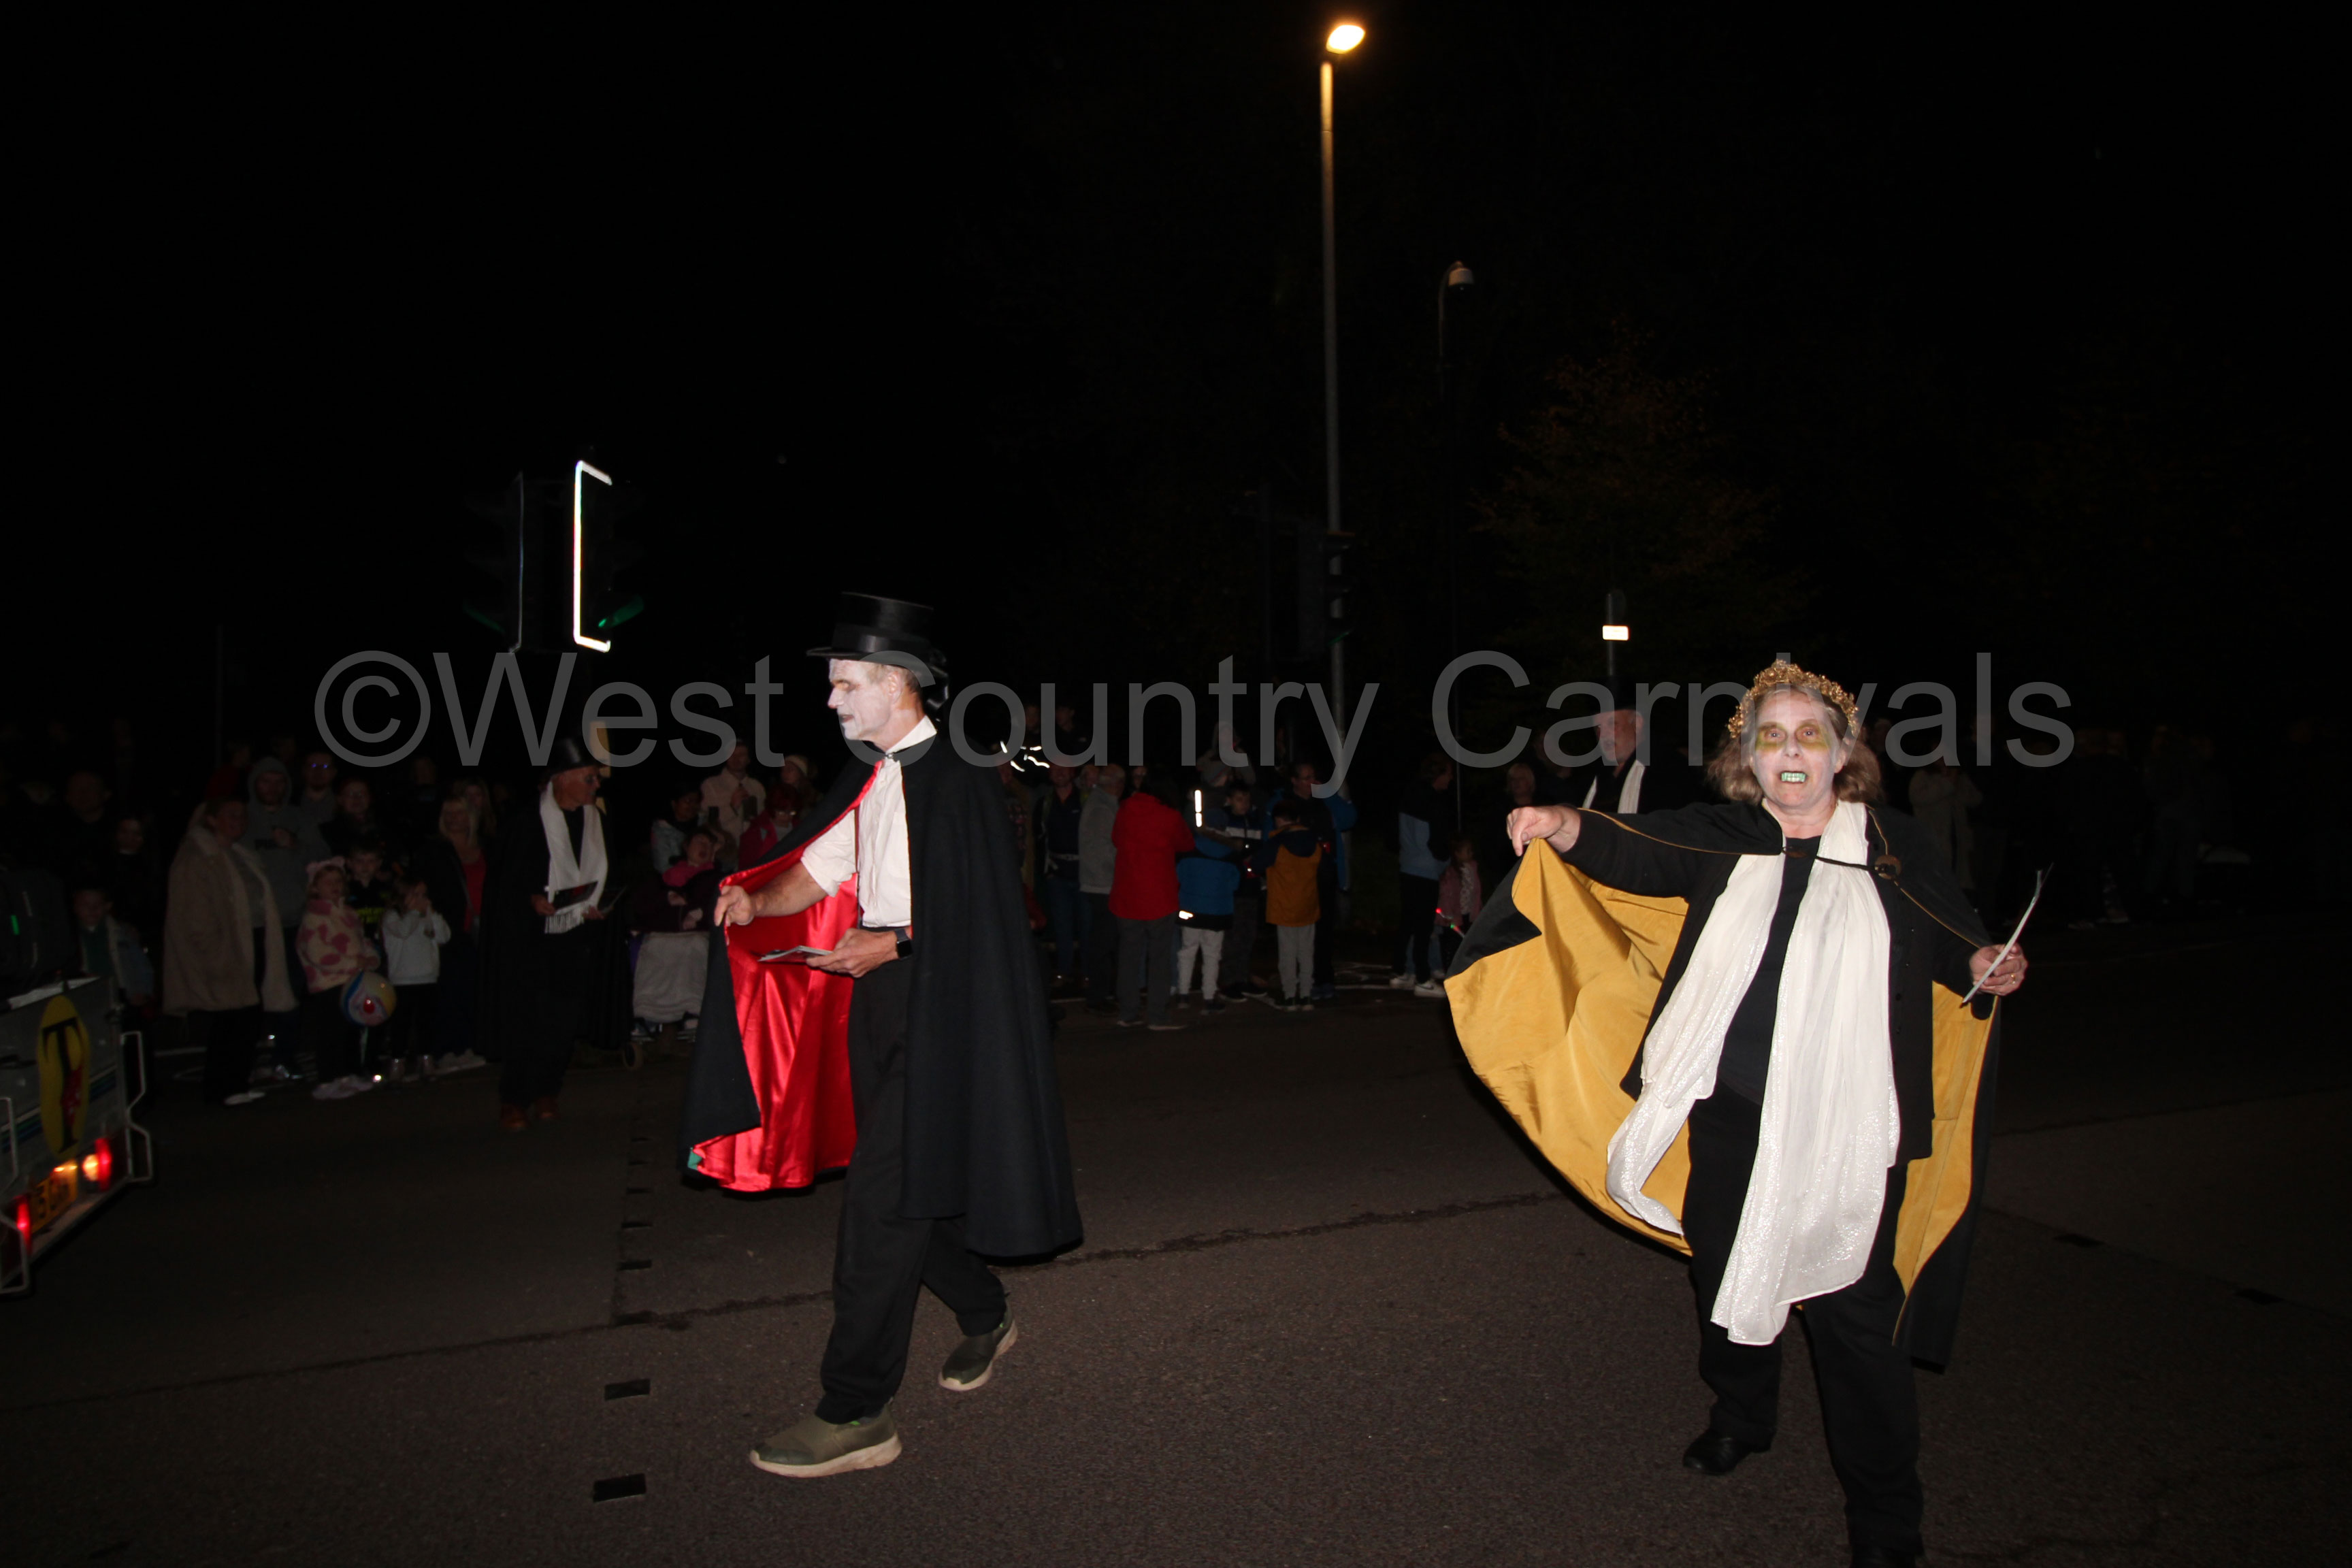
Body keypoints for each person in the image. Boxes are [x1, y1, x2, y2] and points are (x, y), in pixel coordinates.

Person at [1454, 662, 2025, 1568]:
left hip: (1851, 1125)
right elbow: (1637, 846)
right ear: (1748, 759)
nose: (1790, 752)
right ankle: (1743, 1415)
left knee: (1854, 1323)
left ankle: (1887, 1525)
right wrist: (1563, 823)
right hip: (1732, 1111)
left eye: (1809, 735)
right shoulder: (1728, 836)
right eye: (1771, 737)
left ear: (1843, 752)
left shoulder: (1894, 845)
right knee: (1724, 1281)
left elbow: (1952, 936)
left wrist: (1985, 962)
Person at [687, 592, 1080, 1478]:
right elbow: (818, 871)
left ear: (899, 684)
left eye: (846, 683)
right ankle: (985, 1312)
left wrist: (897, 940)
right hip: (881, 1004)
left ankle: (856, 1407)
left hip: (943, 999)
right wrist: (758, 900)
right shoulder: (870, 776)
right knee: (910, 1182)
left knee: (881, 1200)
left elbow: (984, 911)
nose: (832, 699)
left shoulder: (962, 772)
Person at [478, 738, 621, 1129]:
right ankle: (514, 1098)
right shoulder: (525, 822)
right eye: (589, 778)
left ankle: (547, 1091)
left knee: (562, 1021)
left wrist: (601, 906)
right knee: (525, 1020)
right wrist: (531, 899)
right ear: (562, 778)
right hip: (529, 942)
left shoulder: (597, 822)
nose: (596, 785)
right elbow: (503, 884)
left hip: (575, 938)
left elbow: (609, 874)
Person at [162, 798, 297, 1106]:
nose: (239, 821)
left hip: (252, 941)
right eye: (231, 815)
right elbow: (194, 915)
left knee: (247, 1017)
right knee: (230, 1019)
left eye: (242, 815)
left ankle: (237, 1082)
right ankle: (221, 1088)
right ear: (211, 819)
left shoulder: (238, 854)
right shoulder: (197, 857)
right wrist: (214, 953)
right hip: (226, 947)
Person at [246, 755, 326, 1081]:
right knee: (250, 994)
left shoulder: (299, 818)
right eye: (265, 781)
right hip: (253, 923)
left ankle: (284, 1058)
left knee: (291, 990)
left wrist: (295, 845)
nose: (272, 787)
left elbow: (324, 857)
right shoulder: (242, 819)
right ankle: (250, 1061)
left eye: (279, 781)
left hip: (294, 920)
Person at [1110, 772, 1194, 1030]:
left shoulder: (1125, 811)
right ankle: (1157, 1015)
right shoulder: (1169, 816)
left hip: (1127, 896)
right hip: (1159, 897)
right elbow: (1186, 843)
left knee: (1129, 957)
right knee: (1159, 958)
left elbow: (1116, 840)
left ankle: (1128, 1012)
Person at [413, 795, 490, 1074]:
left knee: (472, 990)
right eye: (448, 813)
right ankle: (446, 1050)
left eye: (459, 813)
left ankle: (469, 1045)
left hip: (481, 928)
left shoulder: (484, 848)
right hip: (449, 930)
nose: (453, 818)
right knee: (449, 990)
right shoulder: (435, 850)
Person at [629, 823, 721, 1046]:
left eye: (709, 845)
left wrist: (699, 912)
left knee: (693, 948)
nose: (704, 847)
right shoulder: (665, 878)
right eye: (699, 842)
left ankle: (692, 1012)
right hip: (664, 932)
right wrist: (667, 899)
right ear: (686, 847)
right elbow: (641, 904)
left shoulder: (716, 878)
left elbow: (716, 903)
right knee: (652, 947)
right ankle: (647, 1015)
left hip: (697, 934)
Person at [296, 858, 376, 1100]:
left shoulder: (349, 913)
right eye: (328, 882)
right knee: (331, 1032)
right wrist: (352, 963)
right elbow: (318, 953)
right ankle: (328, 1079)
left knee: (351, 1029)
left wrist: (371, 958)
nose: (335, 887)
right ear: (315, 887)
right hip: (328, 984)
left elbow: (362, 940)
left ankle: (349, 1073)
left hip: (352, 981)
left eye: (338, 882)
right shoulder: (314, 917)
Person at [1286, 761, 1355, 1001]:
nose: (1311, 782)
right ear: (1294, 781)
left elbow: (1349, 818)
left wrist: (1328, 795)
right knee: (1303, 932)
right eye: (1306, 778)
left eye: (1313, 776)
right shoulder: (1285, 803)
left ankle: (1325, 978)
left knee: (1325, 929)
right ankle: (1304, 979)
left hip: (1325, 874)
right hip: (1298, 879)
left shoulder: (1324, 801)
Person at [1570, 687, 1696, 815]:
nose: (1603, 734)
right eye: (1598, 727)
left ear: (1637, 723)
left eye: (1612, 724)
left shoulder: (1671, 771)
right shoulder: (1590, 778)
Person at [379, 872, 450, 1081]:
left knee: (426, 1022)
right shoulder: (393, 917)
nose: (421, 899)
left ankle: (426, 1058)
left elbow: (444, 937)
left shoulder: (426, 915)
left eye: (424, 895)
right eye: (416, 895)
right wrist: (413, 912)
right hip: (403, 980)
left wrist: (433, 915)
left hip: (428, 977)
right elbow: (403, 931)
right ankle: (397, 1061)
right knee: (401, 1024)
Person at [1391, 754, 1452, 991]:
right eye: (1448, 773)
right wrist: (1445, 861)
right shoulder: (1433, 801)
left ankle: (1400, 971)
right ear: (1438, 774)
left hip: (1407, 866)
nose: (1450, 779)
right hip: (1426, 870)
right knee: (1424, 927)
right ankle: (1423, 978)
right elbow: (1437, 842)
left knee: (1408, 922)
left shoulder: (1408, 795)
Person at [1175, 807, 1241, 1013]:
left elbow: (1178, 875)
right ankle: (1209, 997)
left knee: (1187, 951)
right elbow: (1235, 883)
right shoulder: (1230, 854)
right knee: (1212, 955)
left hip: (1190, 909)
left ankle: (1183, 994)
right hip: (1218, 912)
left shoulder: (1189, 847)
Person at [1260, 796, 1322, 1010]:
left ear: (1279, 820)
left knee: (1287, 954)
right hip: (1308, 904)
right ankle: (1306, 995)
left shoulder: (1276, 842)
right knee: (1306, 953)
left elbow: (1258, 864)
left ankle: (1290, 996)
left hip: (1284, 906)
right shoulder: (1314, 841)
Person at [1035, 762, 1088, 988]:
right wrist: (1046, 872)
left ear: (1072, 772)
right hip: (1057, 874)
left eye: (1064, 768)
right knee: (1062, 927)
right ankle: (1064, 971)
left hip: (1084, 874)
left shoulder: (1085, 800)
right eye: (1055, 768)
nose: (1060, 772)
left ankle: (1087, 972)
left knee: (1087, 926)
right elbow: (1038, 840)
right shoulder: (1045, 804)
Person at [1215, 781, 1268, 1000]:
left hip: (1252, 886)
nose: (1244, 804)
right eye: (1239, 799)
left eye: (1247, 799)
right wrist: (1242, 855)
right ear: (1229, 800)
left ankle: (1242, 977)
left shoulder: (1255, 821)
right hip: (1232, 887)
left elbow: (1261, 848)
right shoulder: (1225, 821)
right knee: (1233, 936)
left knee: (1248, 934)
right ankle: (1228, 981)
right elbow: (1222, 851)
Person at [1078, 761, 1124, 1010]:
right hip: (1102, 884)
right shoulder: (1102, 809)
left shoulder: (1102, 805)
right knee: (1103, 943)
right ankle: (1098, 996)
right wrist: (1124, 867)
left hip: (1101, 882)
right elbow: (1104, 850)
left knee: (1106, 941)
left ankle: (1106, 992)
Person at [73, 884, 154, 1013]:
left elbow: (141, 964)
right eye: (85, 905)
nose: (92, 909)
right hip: (86, 1000)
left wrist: (143, 991)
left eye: (98, 905)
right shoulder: (69, 938)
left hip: (122, 996)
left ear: (107, 906)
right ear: (75, 907)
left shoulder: (122, 933)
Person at [702, 742, 768, 860]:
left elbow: (763, 821)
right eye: (731, 754)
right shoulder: (711, 785)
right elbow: (707, 822)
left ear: (748, 759)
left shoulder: (757, 787)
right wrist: (732, 807)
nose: (736, 758)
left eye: (741, 755)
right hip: (721, 854)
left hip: (752, 852)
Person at [1433, 834, 1482, 980]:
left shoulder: (1472, 868)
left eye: (1471, 851)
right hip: (1454, 915)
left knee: (1464, 943)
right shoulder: (1451, 872)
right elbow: (1447, 895)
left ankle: (1461, 970)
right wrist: (1448, 914)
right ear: (1457, 853)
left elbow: (1476, 892)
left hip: (1468, 913)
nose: (1471, 854)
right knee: (1450, 944)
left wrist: (1477, 909)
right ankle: (1448, 970)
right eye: (1467, 851)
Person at [650, 781, 705, 872]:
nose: (693, 806)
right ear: (674, 803)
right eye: (688, 801)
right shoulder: (662, 830)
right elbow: (663, 866)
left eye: (696, 802)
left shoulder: (704, 823)